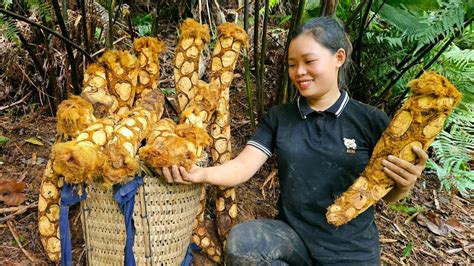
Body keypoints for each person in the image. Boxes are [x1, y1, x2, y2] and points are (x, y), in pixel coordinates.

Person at [163, 16, 428, 265]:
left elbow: (388, 192)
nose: (299, 72)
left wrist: (404, 184)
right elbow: (243, 167)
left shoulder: (370, 120)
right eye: (292, 64)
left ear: (338, 58)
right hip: (293, 239)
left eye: (309, 61)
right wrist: (200, 174)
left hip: (351, 250)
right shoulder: (281, 117)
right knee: (244, 243)